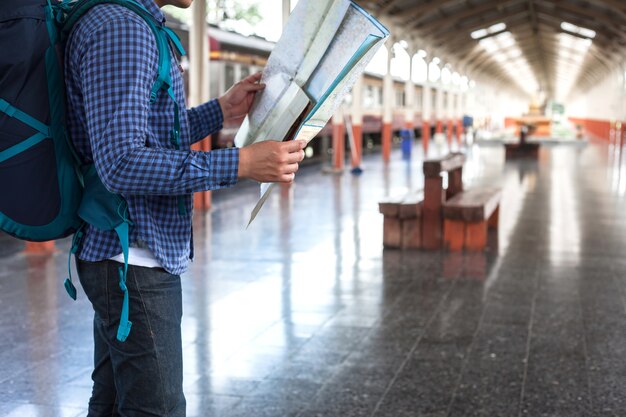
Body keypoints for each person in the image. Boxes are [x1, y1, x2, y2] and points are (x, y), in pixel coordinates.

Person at [64, 0, 305, 415]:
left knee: (112, 402)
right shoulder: (123, 28)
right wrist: (241, 162)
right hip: (132, 258)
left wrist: (221, 111)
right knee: (155, 409)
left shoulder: (129, 21)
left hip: (122, 252)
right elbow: (122, 163)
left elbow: (148, 136)